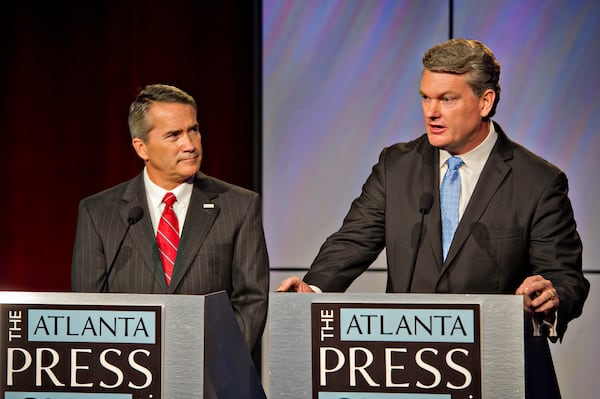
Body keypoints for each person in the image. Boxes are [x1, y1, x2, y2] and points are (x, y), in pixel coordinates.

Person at [277, 38, 589, 398]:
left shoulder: (537, 180)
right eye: (426, 97)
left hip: (497, 372)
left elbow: (566, 277)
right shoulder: (396, 166)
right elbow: (353, 239)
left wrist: (551, 296)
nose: (431, 112)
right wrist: (313, 291)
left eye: (447, 99)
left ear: (484, 102)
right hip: (409, 370)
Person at [72, 83, 269, 353]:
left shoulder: (240, 205)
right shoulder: (98, 212)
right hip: (129, 373)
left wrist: (222, 362)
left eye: (194, 130)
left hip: (214, 376)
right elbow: (88, 307)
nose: (189, 144)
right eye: (173, 135)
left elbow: (251, 299)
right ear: (142, 148)